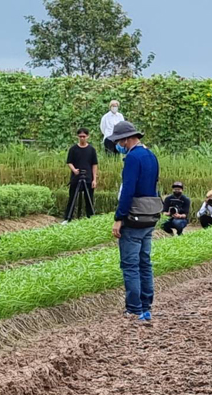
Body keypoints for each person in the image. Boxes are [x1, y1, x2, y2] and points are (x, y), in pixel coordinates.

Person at [109, 120, 162, 322]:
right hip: (150, 215)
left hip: (134, 216)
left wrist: (119, 218)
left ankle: (134, 308)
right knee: (144, 262)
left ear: (127, 138)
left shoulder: (132, 158)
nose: (119, 144)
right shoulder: (151, 156)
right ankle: (146, 305)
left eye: (119, 141)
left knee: (130, 264)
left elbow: (128, 190)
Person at [64, 127, 99, 222]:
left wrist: (94, 179)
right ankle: (68, 218)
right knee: (72, 198)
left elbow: (94, 164)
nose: (82, 138)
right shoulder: (73, 149)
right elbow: (69, 162)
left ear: (87, 136)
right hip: (76, 177)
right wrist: (74, 170)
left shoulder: (91, 150)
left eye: (84, 136)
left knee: (89, 199)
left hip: (88, 178)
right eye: (80, 136)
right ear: (77, 137)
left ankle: (90, 218)